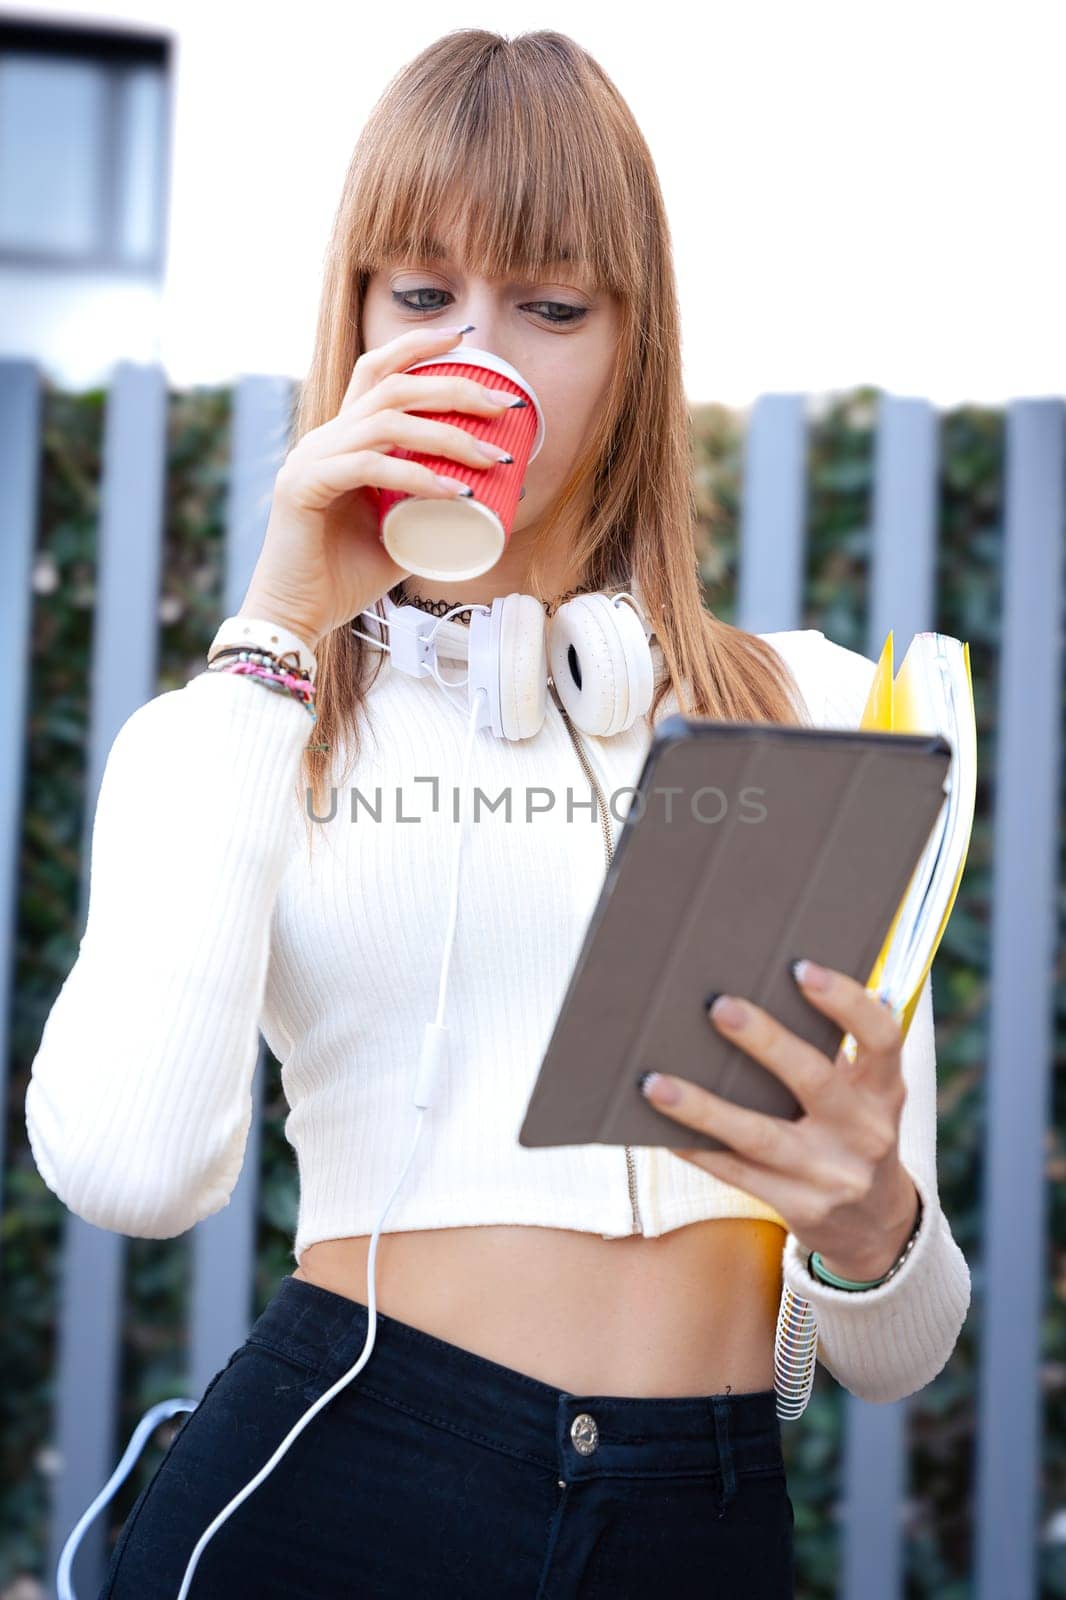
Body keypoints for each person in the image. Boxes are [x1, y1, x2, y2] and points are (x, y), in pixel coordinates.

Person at [25, 28, 970, 1600]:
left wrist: (871, 1218)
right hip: (344, 1472)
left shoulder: (806, 708)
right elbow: (129, 1171)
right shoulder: (238, 728)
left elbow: (897, 1351)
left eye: (549, 305)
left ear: (635, 340)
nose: (484, 359)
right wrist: (279, 624)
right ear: (354, 324)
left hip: (702, 1516)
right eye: (421, 297)